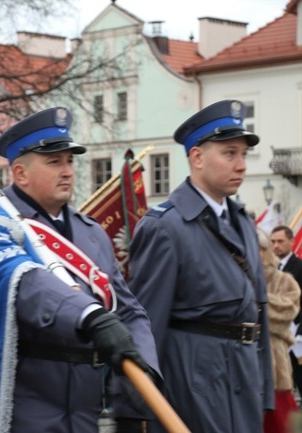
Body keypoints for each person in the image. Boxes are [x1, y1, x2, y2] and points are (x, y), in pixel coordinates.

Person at [0, 107, 161, 433]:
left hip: (86, 408)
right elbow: (31, 291)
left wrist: (144, 373)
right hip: (27, 407)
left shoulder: (92, 233)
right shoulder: (0, 227)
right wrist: (90, 317)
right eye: (54, 162)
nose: (68, 171)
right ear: (20, 173)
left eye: (70, 161)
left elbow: (128, 311)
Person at [129, 100, 274, 433]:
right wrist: (138, 410)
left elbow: (259, 314)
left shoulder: (243, 223)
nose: (241, 165)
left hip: (244, 382)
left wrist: (264, 391)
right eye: (229, 154)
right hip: (194, 386)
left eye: (244, 155)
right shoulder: (165, 227)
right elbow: (145, 326)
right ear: (197, 157)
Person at [258, 229, 300, 433]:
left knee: (281, 422)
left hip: (276, 363)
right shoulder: (237, 278)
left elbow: (289, 311)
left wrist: (257, 302)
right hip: (243, 363)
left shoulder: (285, 279)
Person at [271, 225, 302, 398]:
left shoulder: (299, 267)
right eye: (273, 242)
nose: (276, 246)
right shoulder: (267, 269)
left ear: (291, 241)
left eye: (280, 241)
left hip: (296, 337)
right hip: (274, 336)